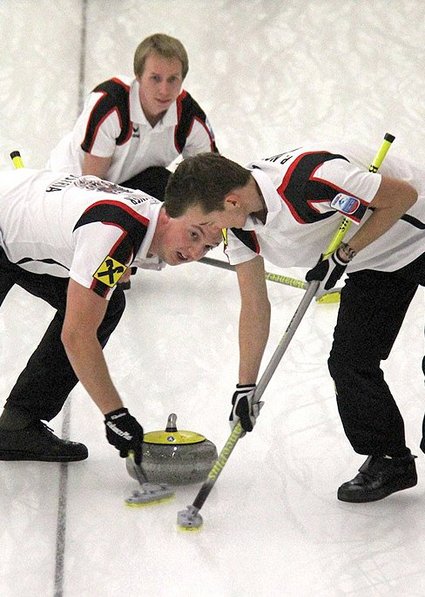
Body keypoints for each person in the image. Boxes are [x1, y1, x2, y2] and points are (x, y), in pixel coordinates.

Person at [164, 144, 425, 503]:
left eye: (208, 222)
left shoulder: (313, 181)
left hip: (416, 232)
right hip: (377, 258)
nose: (210, 235)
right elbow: (255, 305)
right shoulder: (240, 228)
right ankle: (390, 460)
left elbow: (404, 197)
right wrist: (245, 386)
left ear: (233, 202)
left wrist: (345, 253)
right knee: (350, 362)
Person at [0, 168, 221, 464]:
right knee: (88, 318)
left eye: (207, 246)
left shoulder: (141, 221)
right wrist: (115, 415)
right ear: (168, 213)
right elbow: (77, 335)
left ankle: (19, 424)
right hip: (9, 218)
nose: (195, 252)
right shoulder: (116, 234)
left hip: (18, 218)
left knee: (105, 305)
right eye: (193, 235)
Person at [48, 32, 218, 200]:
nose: (164, 90)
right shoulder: (111, 104)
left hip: (126, 190)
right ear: (138, 76)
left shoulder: (189, 117)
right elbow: (91, 188)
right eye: (155, 78)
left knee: (172, 188)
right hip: (71, 187)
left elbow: (214, 181)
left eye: (173, 79)